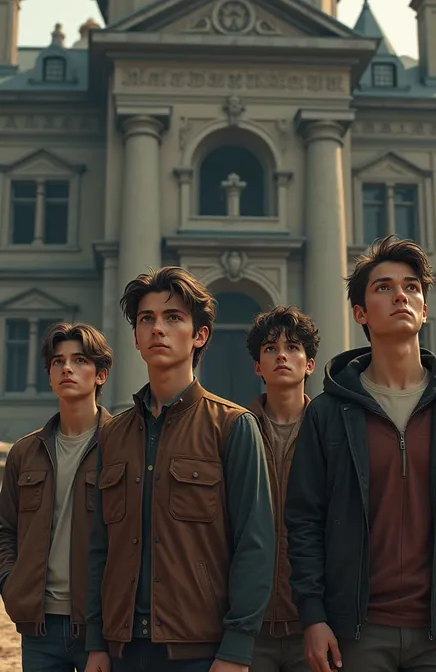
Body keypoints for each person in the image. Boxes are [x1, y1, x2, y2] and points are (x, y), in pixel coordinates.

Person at [285, 235, 436, 672]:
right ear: (360, 313)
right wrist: (313, 617)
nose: (400, 296)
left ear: (424, 309)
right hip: (357, 632)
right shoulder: (329, 413)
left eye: (411, 287)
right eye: (383, 287)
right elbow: (304, 520)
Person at [85, 267, 275, 672]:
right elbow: (99, 546)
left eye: (173, 317)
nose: (158, 328)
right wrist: (96, 641)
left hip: (202, 653)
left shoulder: (233, 426)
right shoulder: (113, 435)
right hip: (121, 651)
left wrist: (236, 651)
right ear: (135, 338)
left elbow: (255, 545)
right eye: (146, 319)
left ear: (200, 335)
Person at [0, 322, 113, 672]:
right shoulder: (24, 452)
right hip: (40, 628)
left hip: (102, 628)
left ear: (101, 375)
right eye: (58, 361)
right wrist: (11, 584)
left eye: (79, 360)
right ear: (49, 375)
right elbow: (5, 528)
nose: (66, 368)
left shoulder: (123, 447)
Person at [246, 306, 319, 672]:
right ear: (258, 366)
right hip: (250, 628)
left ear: (309, 364)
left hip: (314, 625)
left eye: (292, 348)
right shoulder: (235, 432)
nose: (281, 356)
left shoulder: (329, 434)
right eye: (270, 349)